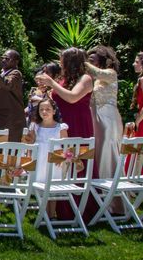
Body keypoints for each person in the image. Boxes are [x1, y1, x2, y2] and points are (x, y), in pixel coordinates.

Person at [35, 47, 95, 220]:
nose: (60, 63)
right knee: (59, 163)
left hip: (78, 124)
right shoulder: (64, 79)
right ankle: (56, 208)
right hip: (61, 125)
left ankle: (77, 209)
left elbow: (72, 98)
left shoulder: (86, 79)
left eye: (62, 60)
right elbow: (58, 99)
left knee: (74, 161)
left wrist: (52, 83)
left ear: (70, 62)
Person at [86, 46, 123, 211]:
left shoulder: (110, 74)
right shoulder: (94, 80)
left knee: (107, 155)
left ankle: (112, 205)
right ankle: (98, 200)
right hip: (96, 119)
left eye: (93, 60)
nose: (89, 62)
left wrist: (81, 60)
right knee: (98, 155)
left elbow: (96, 72)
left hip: (108, 120)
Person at [24, 97, 68, 218]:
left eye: (48, 109)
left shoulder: (61, 127)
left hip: (54, 162)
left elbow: (67, 147)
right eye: (41, 109)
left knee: (52, 187)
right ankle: (43, 212)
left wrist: (63, 157)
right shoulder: (35, 127)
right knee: (40, 185)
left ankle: (51, 214)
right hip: (40, 160)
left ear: (54, 111)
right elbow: (30, 145)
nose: (44, 112)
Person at [0, 49, 26, 142]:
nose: (3, 60)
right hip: (0, 122)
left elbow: (7, 84)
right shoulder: (2, 74)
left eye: (7, 58)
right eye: (2, 58)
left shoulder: (15, 74)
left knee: (10, 154)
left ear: (16, 62)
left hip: (11, 123)